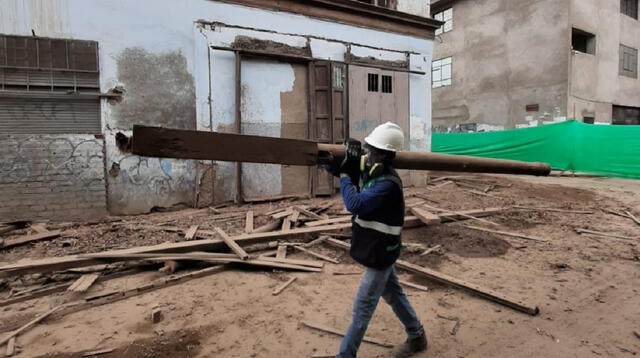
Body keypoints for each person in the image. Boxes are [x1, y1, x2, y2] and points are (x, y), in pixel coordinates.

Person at [325, 122, 427, 358]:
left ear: (386, 156)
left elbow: (355, 204)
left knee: (363, 306)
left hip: (381, 252)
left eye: (373, 151)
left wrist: (344, 174)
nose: (368, 154)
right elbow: (336, 168)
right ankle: (417, 335)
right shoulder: (371, 168)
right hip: (377, 249)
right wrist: (337, 158)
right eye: (367, 149)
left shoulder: (387, 183)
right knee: (393, 293)